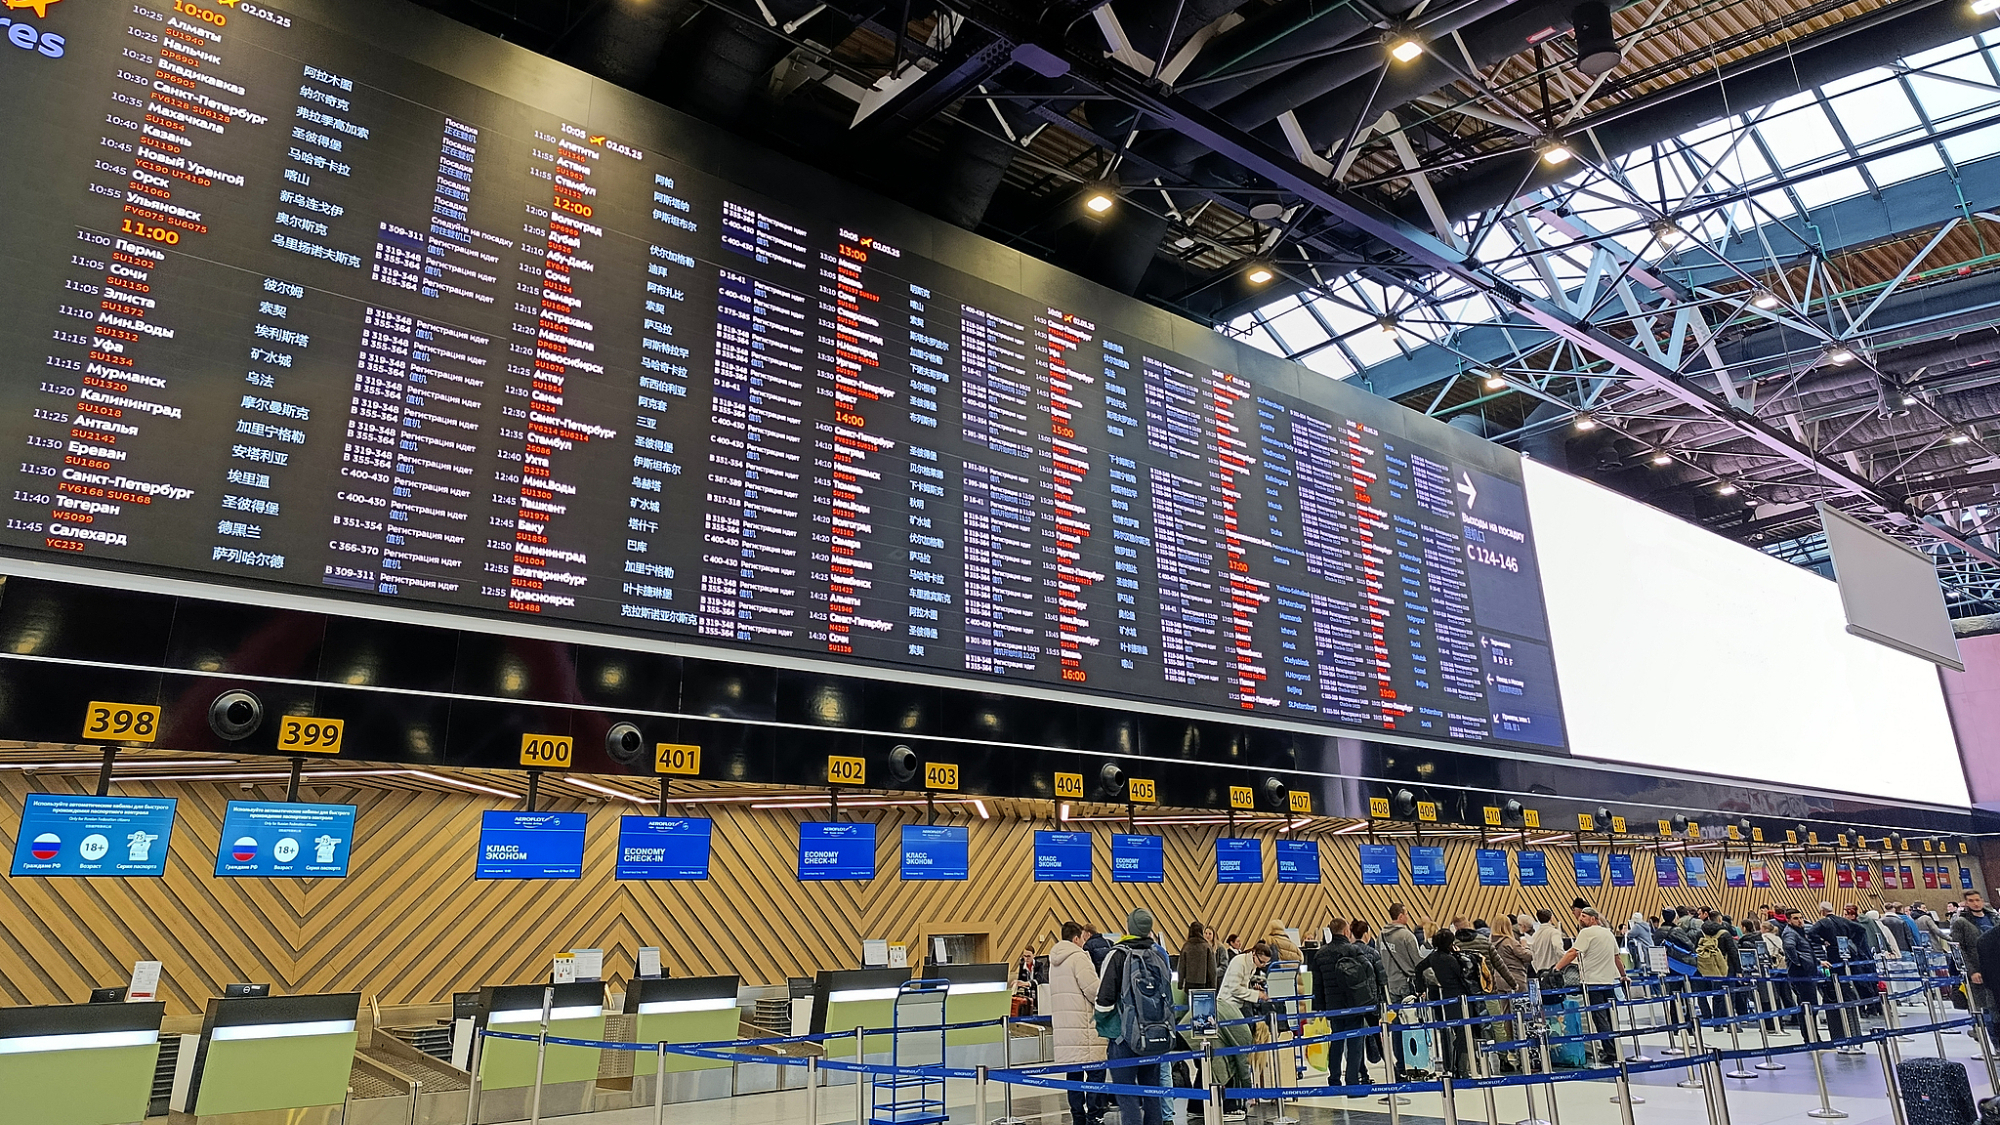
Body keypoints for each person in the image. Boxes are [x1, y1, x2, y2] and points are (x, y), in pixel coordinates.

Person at [1095, 909, 1174, 1125]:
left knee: (1126, 1094)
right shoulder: (1159, 955)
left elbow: (1104, 999)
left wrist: (1101, 1022)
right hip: (1154, 1033)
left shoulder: (1117, 954)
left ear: (1129, 926)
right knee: (1152, 1092)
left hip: (1124, 1036)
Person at [1310, 918, 1378, 1092]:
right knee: (1355, 1043)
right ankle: (1352, 1080)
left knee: (1336, 1042)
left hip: (1333, 1006)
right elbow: (1369, 969)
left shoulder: (1320, 954)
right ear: (1346, 931)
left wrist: (1320, 1008)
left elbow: (1317, 985)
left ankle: (1334, 1079)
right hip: (1353, 1003)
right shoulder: (1352, 950)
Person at [1051, 922, 1106, 1125]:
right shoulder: (1078, 957)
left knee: (1073, 1075)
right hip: (1084, 1027)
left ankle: (1078, 1116)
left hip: (1065, 1029)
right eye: (1082, 939)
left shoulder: (1054, 961)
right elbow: (1093, 990)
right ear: (1076, 939)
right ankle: (1094, 1115)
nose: (1084, 942)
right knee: (1096, 1071)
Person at [1553, 908, 1624, 1065]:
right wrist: (1623, 975)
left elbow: (1572, 952)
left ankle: (1610, 1052)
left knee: (1599, 1018)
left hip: (1593, 983)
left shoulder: (1586, 933)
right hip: (1609, 982)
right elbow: (1616, 957)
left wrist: (1556, 968)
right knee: (1610, 1017)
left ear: (1593, 918)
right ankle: (1615, 1048)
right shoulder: (1608, 933)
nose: (1580, 919)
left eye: (1584, 916)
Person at [1214, 940, 1270, 1111]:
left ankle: (1240, 1097)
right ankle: (1245, 1095)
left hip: (1234, 1009)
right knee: (1240, 1054)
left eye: (1266, 963)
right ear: (1254, 954)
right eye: (1261, 962)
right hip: (1226, 1009)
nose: (1262, 965)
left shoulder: (1250, 964)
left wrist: (1253, 988)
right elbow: (1235, 989)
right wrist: (1257, 995)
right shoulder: (1239, 963)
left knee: (1234, 1056)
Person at [1378, 904, 1426, 1080]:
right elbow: (1418, 962)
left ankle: (1401, 1064)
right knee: (1412, 1025)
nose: (1408, 916)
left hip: (1391, 985)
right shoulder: (1406, 936)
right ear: (1400, 916)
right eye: (1406, 914)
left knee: (1397, 1025)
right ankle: (1414, 1063)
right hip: (1408, 984)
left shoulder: (1381, 935)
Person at [1417, 929, 1473, 1076]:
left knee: (1453, 1033)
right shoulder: (1450, 960)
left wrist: (1420, 988)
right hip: (1459, 997)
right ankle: (1461, 1069)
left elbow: (1418, 968)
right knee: (1463, 1034)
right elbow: (1463, 975)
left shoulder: (1433, 957)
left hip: (1446, 997)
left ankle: (1453, 1067)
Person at [1952, 892, 1997, 1035]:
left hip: (1996, 968)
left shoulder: (1994, 919)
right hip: (1978, 970)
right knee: (1986, 1009)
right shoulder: (1961, 923)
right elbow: (1959, 949)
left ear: (1982, 901)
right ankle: (1989, 1039)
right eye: (1971, 901)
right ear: (1966, 903)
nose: (1975, 903)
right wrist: (1971, 971)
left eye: (1977, 900)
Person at [1180, 922, 1218, 994]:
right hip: (1204, 984)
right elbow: (1212, 969)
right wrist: (1213, 986)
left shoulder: (1186, 946)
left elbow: (1181, 966)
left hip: (1189, 983)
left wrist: (1180, 983)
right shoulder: (1207, 947)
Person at [1528, 908, 1564, 974]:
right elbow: (1558, 949)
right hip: (1553, 971)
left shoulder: (1535, 935)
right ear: (1551, 918)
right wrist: (1563, 962)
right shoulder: (1554, 932)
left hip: (1540, 971)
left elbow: (1533, 955)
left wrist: (1537, 969)